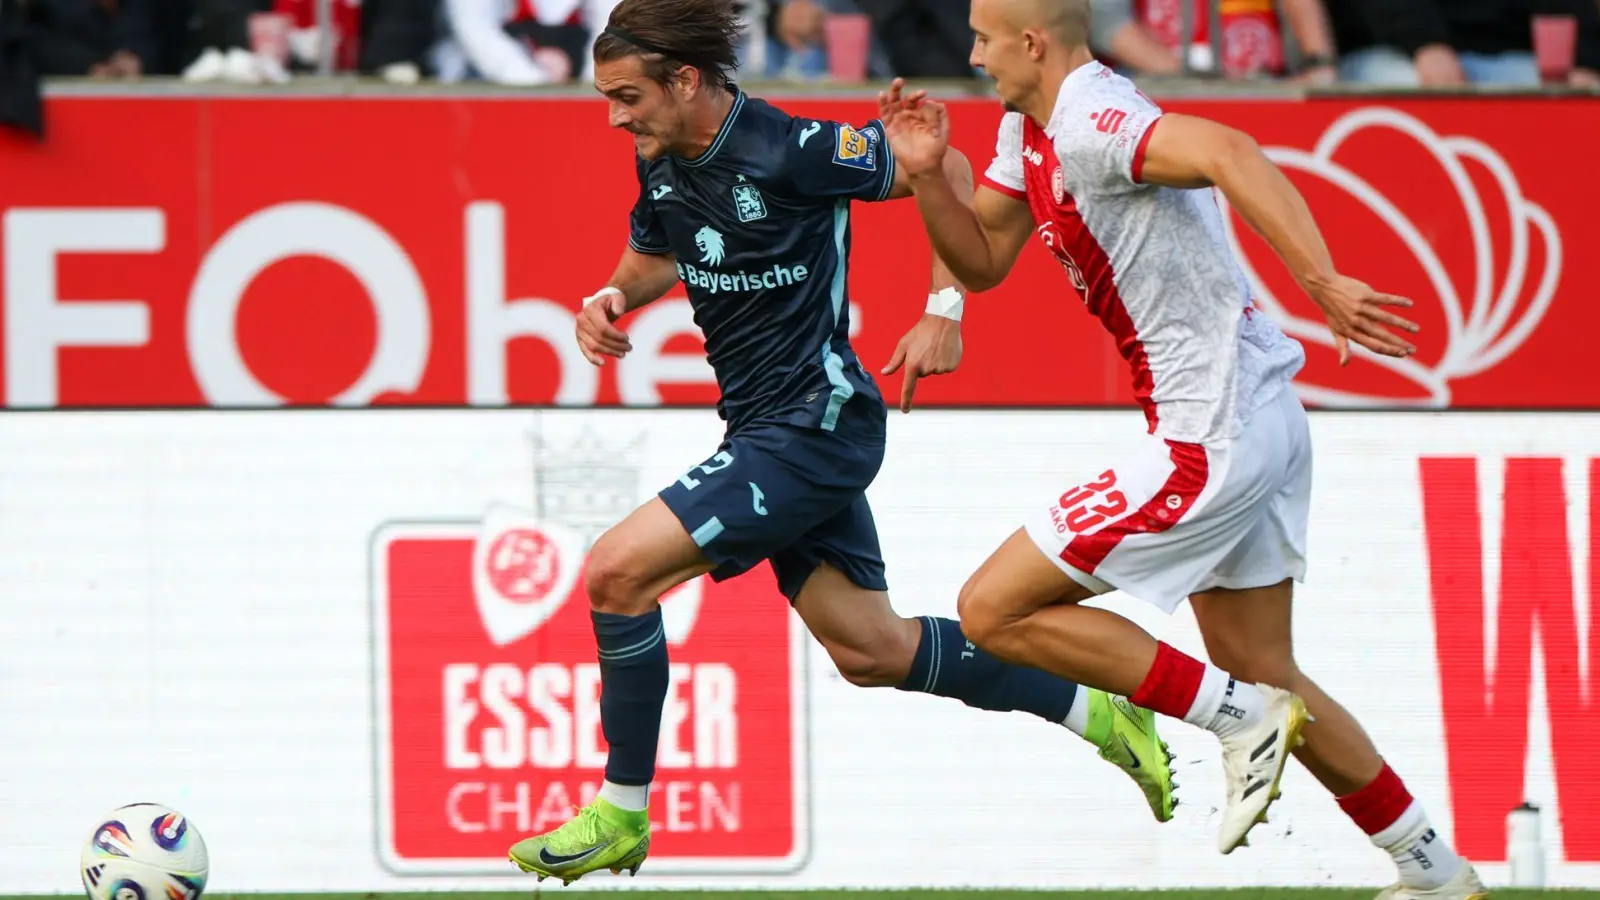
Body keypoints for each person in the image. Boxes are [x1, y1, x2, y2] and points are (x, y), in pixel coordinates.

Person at [506, 0, 1179, 884]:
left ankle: (622, 812)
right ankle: (1096, 713)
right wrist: (612, 297)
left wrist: (945, 310)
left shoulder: (789, 148)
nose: (615, 116)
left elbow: (944, 164)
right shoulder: (663, 162)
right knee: (872, 650)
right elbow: (658, 251)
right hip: (765, 430)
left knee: (615, 574)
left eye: (627, 95)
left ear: (687, 79)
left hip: (814, 427)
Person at [877, 1, 1490, 897]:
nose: (971, 56)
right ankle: (1431, 869)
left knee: (990, 611)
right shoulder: (1027, 126)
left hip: (1214, 434)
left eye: (983, 39)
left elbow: (1229, 152)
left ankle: (1238, 720)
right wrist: (931, 178)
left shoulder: (1090, 118)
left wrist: (1318, 280)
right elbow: (981, 262)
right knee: (1265, 666)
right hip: (1261, 418)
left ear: (1033, 43)